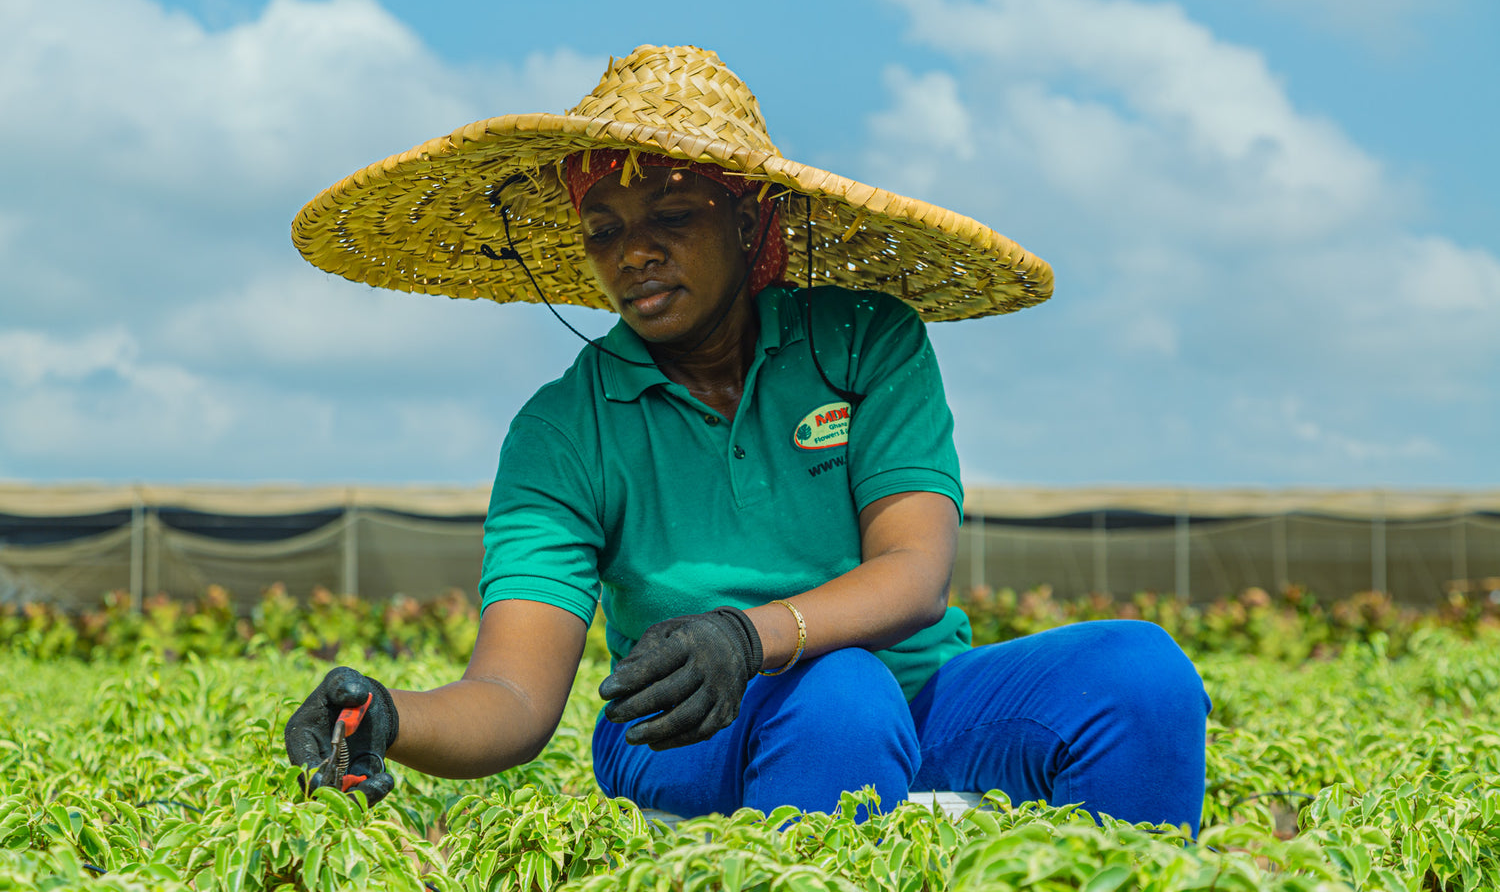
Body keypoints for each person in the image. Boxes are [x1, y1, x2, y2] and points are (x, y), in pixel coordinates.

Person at [284, 45, 1210, 834]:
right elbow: (516, 699)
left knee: (1141, 676)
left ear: (751, 220)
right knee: (839, 702)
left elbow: (915, 574)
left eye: (672, 217)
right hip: (688, 728)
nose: (632, 253)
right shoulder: (564, 431)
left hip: (918, 696)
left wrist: (748, 634)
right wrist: (394, 719)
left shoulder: (861, 340)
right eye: (604, 231)